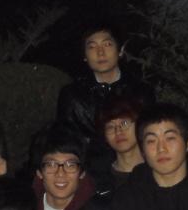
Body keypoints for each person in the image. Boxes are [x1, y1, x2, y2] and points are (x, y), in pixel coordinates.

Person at [56, 25, 153, 186]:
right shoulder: (72, 96)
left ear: (120, 50)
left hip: (136, 171)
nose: (100, 52)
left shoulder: (141, 92)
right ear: (84, 55)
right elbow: (67, 142)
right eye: (92, 47)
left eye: (107, 44)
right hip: (90, 175)